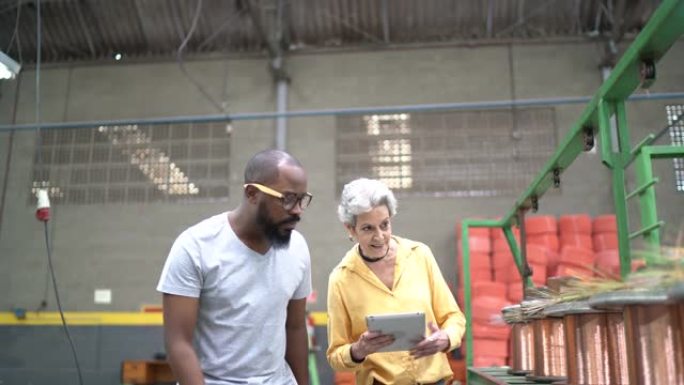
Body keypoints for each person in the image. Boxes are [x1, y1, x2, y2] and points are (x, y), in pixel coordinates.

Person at [157, 149, 313, 385]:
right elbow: (178, 343)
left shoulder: (298, 248)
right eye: (288, 198)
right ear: (252, 193)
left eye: (302, 199)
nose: (297, 210)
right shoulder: (196, 247)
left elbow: (295, 328)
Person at [326, 178, 465, 385]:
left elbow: (454, 317)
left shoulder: (420, 255)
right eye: (367, 228)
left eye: (384, 225)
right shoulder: (341, 279)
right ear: (350, 229)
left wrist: (446, 337)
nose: (380, 236)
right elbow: (335, 356)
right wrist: (358, 350)